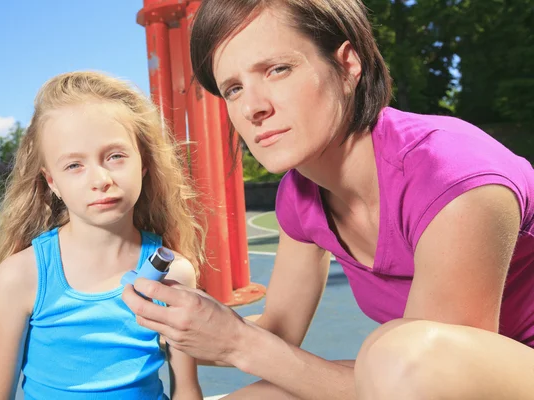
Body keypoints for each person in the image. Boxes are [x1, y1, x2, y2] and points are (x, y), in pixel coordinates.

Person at [121, 1, 534, 399]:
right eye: (233, 88)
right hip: (407, 377)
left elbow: (427, 379)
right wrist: (172, 328)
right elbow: (278, 335)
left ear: (347, 64)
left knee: (399, 355)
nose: (252, 107)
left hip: (461, 375)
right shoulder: (301, 193)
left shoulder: (453, 173)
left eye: (277, 69)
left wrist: (237, 344)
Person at [0, 71, 204, 400]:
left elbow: (186, 389)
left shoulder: (174, 273)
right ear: (51, 181)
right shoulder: (20, 276)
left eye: (115, 156)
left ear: (143, 162)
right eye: (74, 165)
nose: (100, 179)